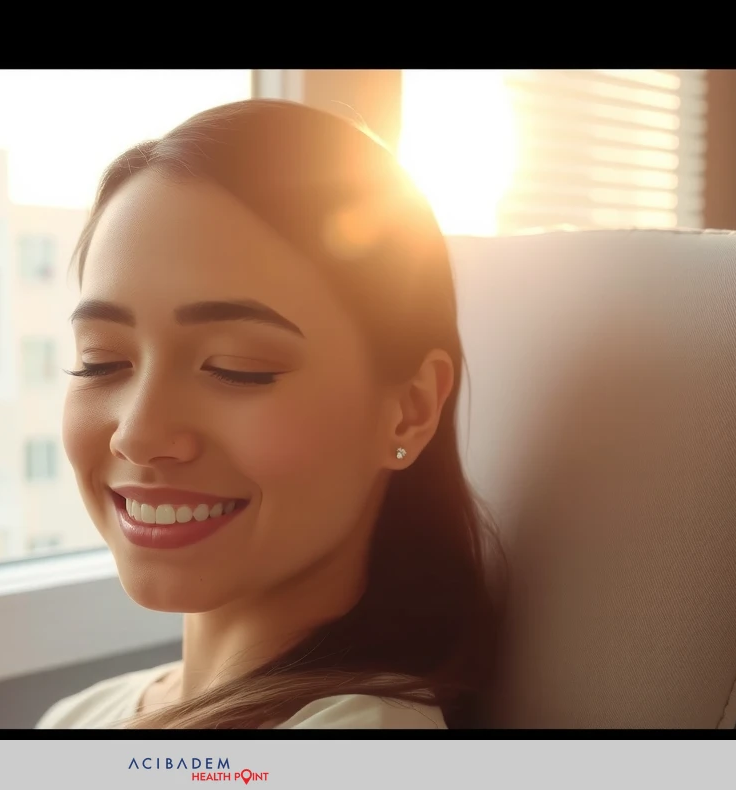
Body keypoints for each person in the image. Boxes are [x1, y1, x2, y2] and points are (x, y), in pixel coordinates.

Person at [37, 98, 503, 730]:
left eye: (236, 367)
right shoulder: (75, 718)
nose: (141, 434)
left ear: (409, 410)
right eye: (102, 362)